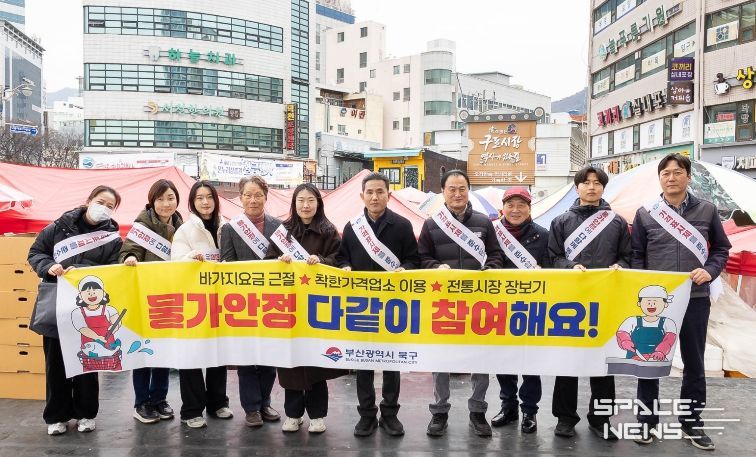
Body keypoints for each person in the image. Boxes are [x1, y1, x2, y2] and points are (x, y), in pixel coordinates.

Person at [631, 153, 731, 450]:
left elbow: (721, 249)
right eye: (666, 173)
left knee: (694, 363)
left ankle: (691, 422)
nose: (671, 178)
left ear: (688, 176)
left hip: (695, 297)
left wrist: (710, 271)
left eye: (677, 172)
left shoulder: (707, 210)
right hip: (655, 302)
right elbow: (637, 256)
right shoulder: (646, 213)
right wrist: (642, 288)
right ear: (659, 178)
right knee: (649, 360)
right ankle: (646, 422)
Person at [28, 185, 123, 435]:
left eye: (110, 206)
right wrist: (49, 266)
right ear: (89, 200)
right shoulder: (59, 227)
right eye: (100, 202)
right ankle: (56, 416)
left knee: (88, 363)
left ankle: (86, 413)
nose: (104, 208)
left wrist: (84, 272)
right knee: (56, 364)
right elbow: (36, 252)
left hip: (90, 308)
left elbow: (113, 269)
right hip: (57, 303)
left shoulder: (112, 238)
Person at [547, 166, 631, 440]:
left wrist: (620, 266)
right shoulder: (561, 221)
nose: (591, 187)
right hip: (570, 302)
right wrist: (570, 266)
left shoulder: (617, 223)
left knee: (603, 362)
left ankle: (601, 418)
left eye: (597, 182)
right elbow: (553, 258)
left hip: (606, 301)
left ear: (603, 188)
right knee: (567, 361)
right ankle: (565, 418)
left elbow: (628, 256)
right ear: (577, 187)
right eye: (586, 182)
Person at [417, 169, 503, 437]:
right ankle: (439, 412)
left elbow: (496, 254)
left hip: (478, 303)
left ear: (468, 191)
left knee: (480, 359)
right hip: (443, 303)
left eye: (462, 189)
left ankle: (478, 412)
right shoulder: (432, 224)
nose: (457, 194)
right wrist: (435, 267)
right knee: (441, 359)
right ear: (443, 192)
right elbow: (422, 258)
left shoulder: (483, 222)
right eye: (451, 189)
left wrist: (490, 268)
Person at [335, 172, 420, 437]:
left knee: (392, 362)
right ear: (362, 196)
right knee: (363, 362)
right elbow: (341, 258)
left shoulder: (403, 225)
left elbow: (414, 259)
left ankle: (390, 414)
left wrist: (406, 269)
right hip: (361, 306)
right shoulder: (353, 227)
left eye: (380, 192)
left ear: (388, 195)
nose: (375, 197)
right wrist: (345, 267)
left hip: (393, 305)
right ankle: (367, 415)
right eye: (370, 192)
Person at [265, 183, 347, 434]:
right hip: (290, 307)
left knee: (315, 363)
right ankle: (293, 414)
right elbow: (267, 263)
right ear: (294, 203)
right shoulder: (283, 231)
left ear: (318, 203)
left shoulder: (328, 230)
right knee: (291, 363)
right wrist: (279, 261)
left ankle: (318, 415)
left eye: (311, 200)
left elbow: (339, 261)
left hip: (317, 307)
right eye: (301, 200)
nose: (305, 205)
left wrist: (321, 261)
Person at [220, 176, 281, 428]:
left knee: (269, 357)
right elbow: (226, 264)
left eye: (258, 195)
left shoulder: (278, 226)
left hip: (272, 302)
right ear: (241, 198)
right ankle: (252, 408)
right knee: (246, 358)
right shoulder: (230, 228)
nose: (253, 200)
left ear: (266, 197)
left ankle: (265, 402)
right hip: (242, 303)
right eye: (248, 195)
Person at [120, 179, 183, 424]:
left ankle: (159, 399)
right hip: (145, 298)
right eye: (160, 199)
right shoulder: (142, 225)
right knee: (144, 351)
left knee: (164, 352)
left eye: (170, 198)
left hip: (170, 297)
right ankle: (141, 403)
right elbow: (128, 251)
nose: (166, 203)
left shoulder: (181, 225)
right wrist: (130, 258)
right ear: (152, 202)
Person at [170, 181, 233, 429]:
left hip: (221, 300)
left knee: (219, 352)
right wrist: (190, 258)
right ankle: (192, 410)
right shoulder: (184, 231)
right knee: (192, 355)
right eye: (199, 198)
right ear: (192, 203)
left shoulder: (227, 227)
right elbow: (175, 262)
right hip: (193, 301)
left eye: (209, 197)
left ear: (216, 200)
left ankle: (218, 403)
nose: (205, 202)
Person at [490, 187, 548, 434]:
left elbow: (552, 268)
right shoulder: (492, 232)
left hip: (531, 308)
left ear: (529, 208)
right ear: (503, 207)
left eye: (521, 205)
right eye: (510, 205)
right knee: (503, 361)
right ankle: (508, 406)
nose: (515, 210)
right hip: (499, 307)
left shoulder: (543, 235)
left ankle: (529, 411)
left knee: (530, 363)